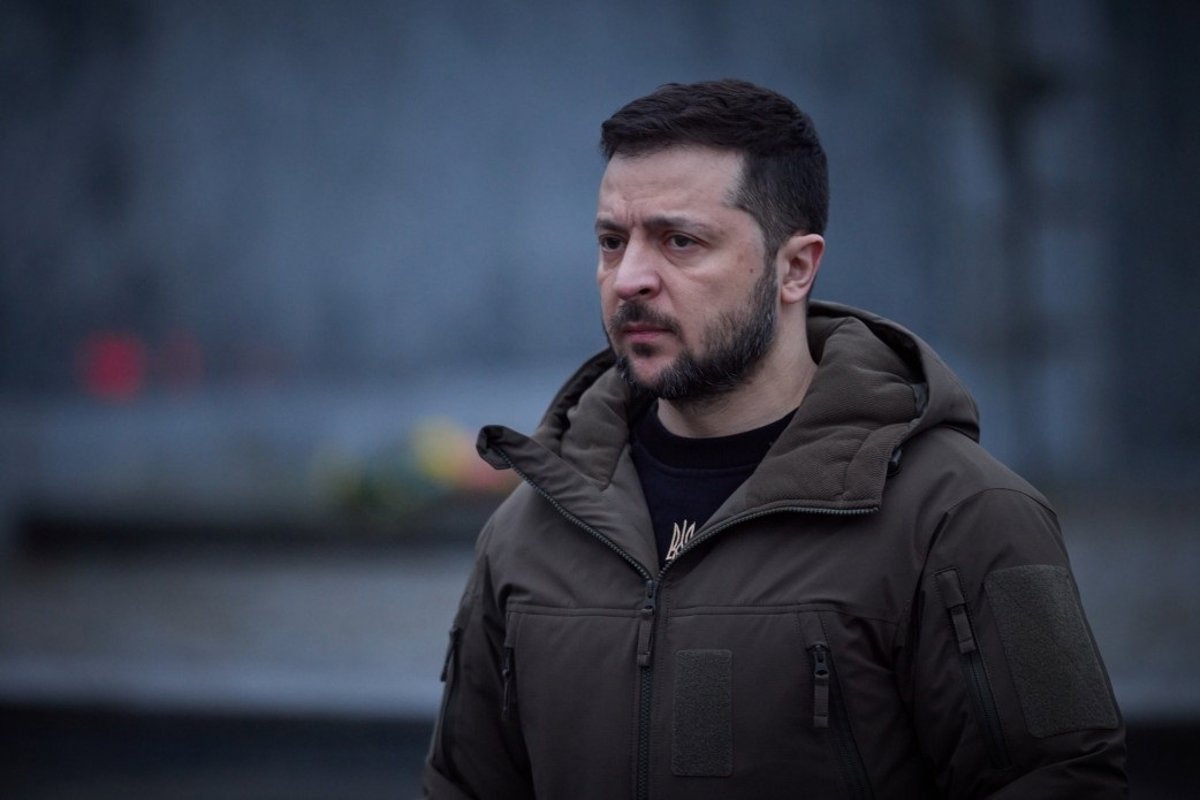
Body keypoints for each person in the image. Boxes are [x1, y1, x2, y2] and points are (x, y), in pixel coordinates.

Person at [422, 79, 1126, 799]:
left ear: (795, 268)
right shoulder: (530, 529)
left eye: (680, 241)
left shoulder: (964, 516)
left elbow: (1063, 781)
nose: (629, 278)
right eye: (611, 242)